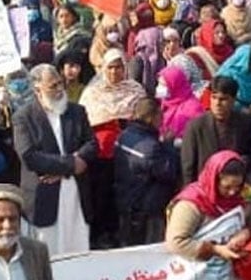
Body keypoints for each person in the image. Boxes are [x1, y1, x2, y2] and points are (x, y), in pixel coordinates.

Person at [13, 64, 95, 256]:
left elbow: (91, 144)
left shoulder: (76, 111)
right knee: (47, 255)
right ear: (37, 89)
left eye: (60, 84)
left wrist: (68, 168)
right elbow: (29, 156)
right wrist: (69, 165)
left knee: (78, 250)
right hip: (44, 197)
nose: (59, 89)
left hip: (75, 193)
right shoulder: (23, 117)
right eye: (53, 86)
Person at [79, 49, 145, 248]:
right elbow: (85, 121)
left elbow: (143, 115)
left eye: (119, 67)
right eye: (110, 67)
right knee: (102, 194)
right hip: (101, 155)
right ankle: (101, 233)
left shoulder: (135, 90)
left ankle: (121, 233)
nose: (115, 72)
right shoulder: (93, 92)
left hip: (129, 152)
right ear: (103, 69)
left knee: (125, 194)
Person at [165, 151, 251, 278]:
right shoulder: (191, 203)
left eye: (237, 186)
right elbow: (176, 242)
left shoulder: (243, 197)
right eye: (226, 187)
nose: (232, 192)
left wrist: (246, 233)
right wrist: (215, 250)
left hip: (232, 271)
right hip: (197, 271)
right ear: (213, 180)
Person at [114, 97, 180, 246]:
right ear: (151, 117)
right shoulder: (150, 147)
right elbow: (168, 171)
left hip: (125, 200)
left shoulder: (124, 135)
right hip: (146, 207)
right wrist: (168, 146)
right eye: (160, 115)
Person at [181, 76, 251, 184]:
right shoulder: (196, 126)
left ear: (233, 100)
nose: (217, 103)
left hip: (232, 187)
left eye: (223, 99)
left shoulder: (244, 123)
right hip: (204, 187)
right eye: (214, 97)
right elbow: (188, 166)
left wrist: (238, 164)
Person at [157, 66, 204, 142]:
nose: (159, 87)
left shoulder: (193, 108)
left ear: (174, 85)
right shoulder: (165, 103)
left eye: (163, 85)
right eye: (159, 83)